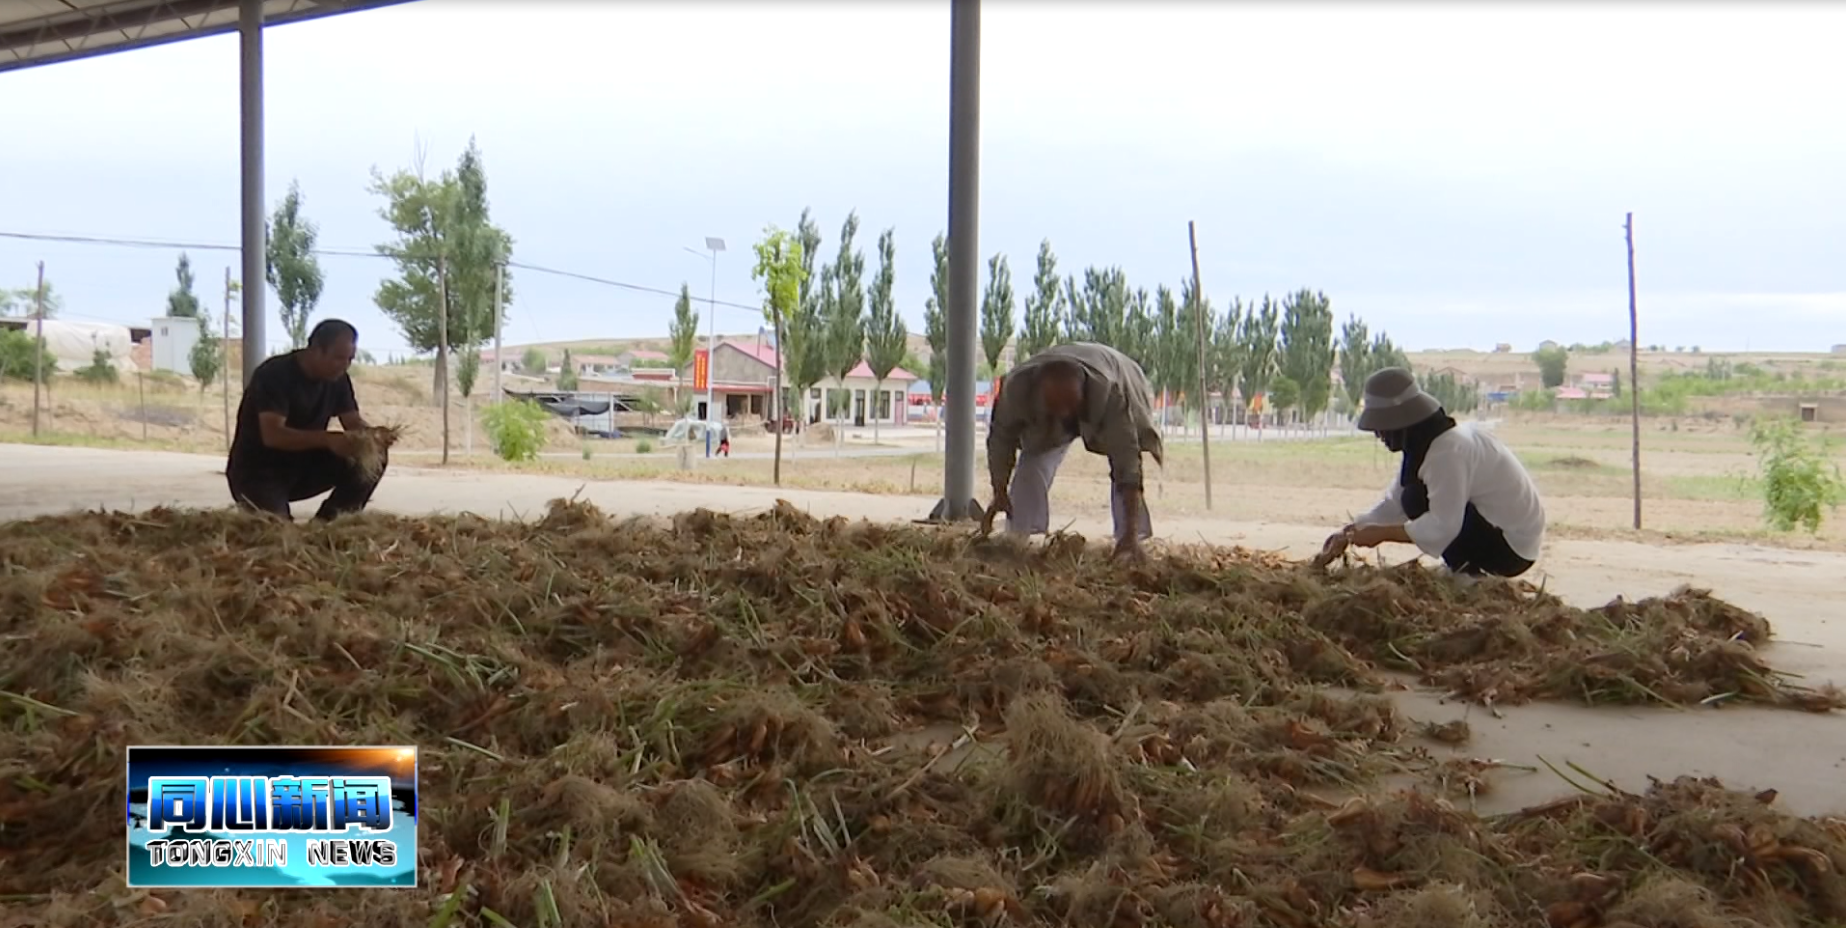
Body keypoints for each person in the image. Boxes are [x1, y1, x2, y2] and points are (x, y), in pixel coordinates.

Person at [1331, 367, 1545, 578]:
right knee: (1411, 496)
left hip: (1512, 548)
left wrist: (1382, 534)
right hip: (1501, 532)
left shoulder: (1447, 451)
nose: (1378, 434)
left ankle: (1467, 575)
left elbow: (1443, 525)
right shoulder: (1425, 445)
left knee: (1416, 499)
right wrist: (1350, 531)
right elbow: (1393, 504)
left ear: (1400, 423)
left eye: (1382, 426)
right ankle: (1463, 567)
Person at [982, 342, 1165, 560]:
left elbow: (1127, 461)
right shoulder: (1015, 390)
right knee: (1032, 462)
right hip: (1048, 407)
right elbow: (1000, 439)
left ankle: (1131, 540)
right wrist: (999, 490)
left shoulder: (1110, 394)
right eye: (1056, 408)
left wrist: (1131, 532)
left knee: (1125, 471)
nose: (1064, 415)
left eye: (1069, 408)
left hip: (1121, 375)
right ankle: (1020, 536)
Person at [225, 319, 384, 522]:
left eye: (349, 360)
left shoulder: (338, 379)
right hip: (259, 473)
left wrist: (374, 435)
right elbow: (273, 435)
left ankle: (329, 525)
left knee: (372, 455)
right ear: (316, 349)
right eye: (338, 358)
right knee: (276, 538)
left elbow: (353, 422)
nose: (344, 366)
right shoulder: (274, 374)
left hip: (304, 467)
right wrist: (327, 439)